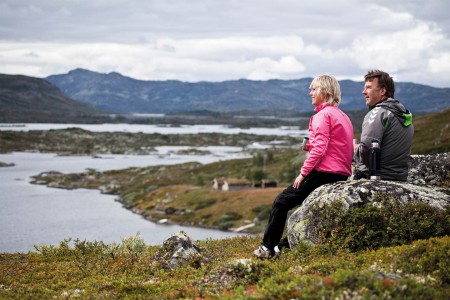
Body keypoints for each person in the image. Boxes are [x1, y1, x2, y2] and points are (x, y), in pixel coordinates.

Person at [253, 74, 354, 259]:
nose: (310, 93)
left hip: (324, 172)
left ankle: (267, 248)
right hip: (341, 173)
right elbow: (335, 146)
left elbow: (320, 150)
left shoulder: (322, 115)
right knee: (302, 209)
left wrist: (302, 173)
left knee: (281, 202)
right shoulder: (342, 116)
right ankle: (281, 247)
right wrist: (311, 146)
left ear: (325, 91)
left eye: (314, 89)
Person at [353, 70, 414, 181]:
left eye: (368, 87)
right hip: (399, 178)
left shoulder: (378, 113)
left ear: (382, 91)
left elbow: (366, 150)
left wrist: (355, 149)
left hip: (375, 177)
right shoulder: (403, 114)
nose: (363, 92)